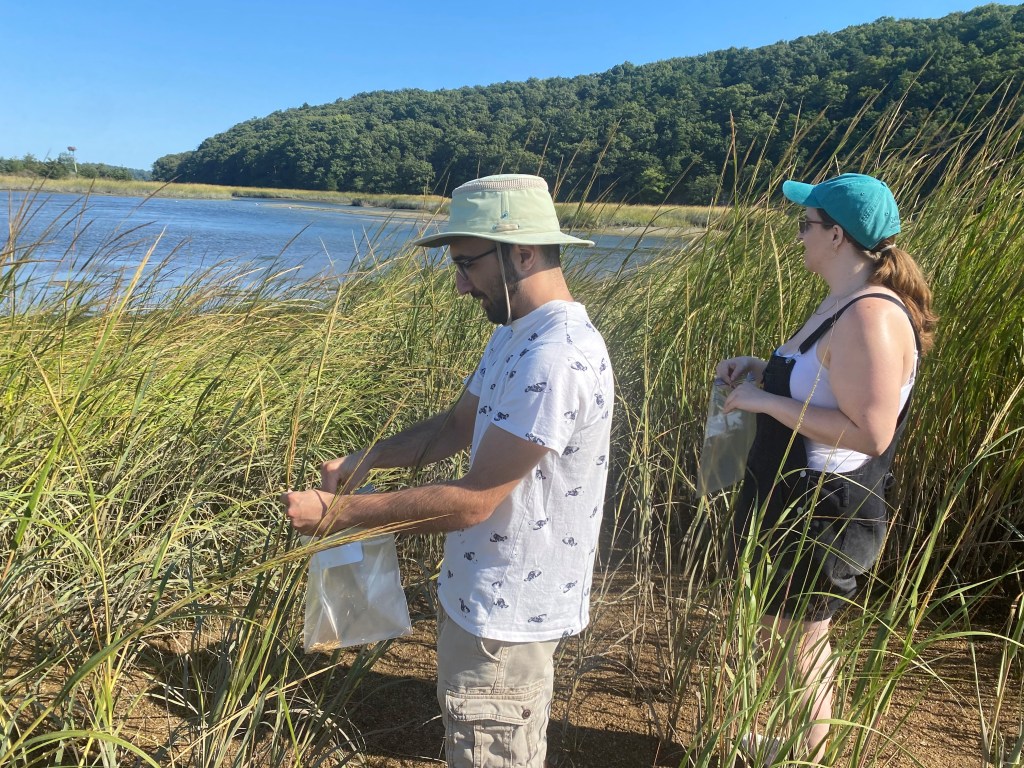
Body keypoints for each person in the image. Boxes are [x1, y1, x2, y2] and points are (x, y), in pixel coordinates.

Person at [280, 173, 615, 768]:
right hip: (480, 596)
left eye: (467, 264)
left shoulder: (557, 356)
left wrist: (339, 514)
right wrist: (369, 458)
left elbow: (474, 501)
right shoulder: (515, 335)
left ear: (523, 253)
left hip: (508, 615)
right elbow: (459, 425)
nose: (460, 285)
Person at [716, 173, 936, 764]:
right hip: (794, 496)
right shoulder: (841, 301)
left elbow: (870, 433)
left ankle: (809, 757)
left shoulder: (871, 316)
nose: (799, 235)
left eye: (806, 224)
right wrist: (761, 370)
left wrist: (765, 403)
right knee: (788, 632)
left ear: (837, 236)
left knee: (805, 640)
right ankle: (796, 747)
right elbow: (825, 385)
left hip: (824, 508)